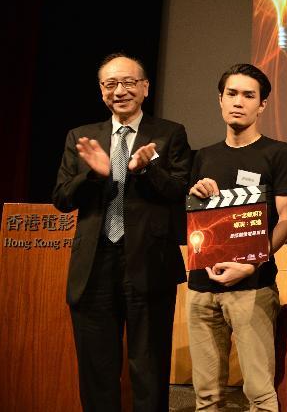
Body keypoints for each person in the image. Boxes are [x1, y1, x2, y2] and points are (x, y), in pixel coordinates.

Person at [53, 53, 191, 412]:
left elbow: (179, 192)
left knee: (149, 368)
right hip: (94, 266)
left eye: (128, 82)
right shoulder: (82, 137)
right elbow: (62, 199)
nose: (120, 91)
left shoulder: (169, 133)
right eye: (110, 84)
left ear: (145, 88)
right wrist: (95, 173)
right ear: (101, 91)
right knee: (97, 371)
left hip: (148, 264)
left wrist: (146, 169)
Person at [186, 63, 287, 411]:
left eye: (249, 95)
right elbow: (191, 222)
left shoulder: (277, 153)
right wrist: (197, 196)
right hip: (201, 287)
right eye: (231, 94)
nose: (239, 101)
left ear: (262, 104)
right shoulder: (203, 156)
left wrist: (250, 265)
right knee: (205, 396)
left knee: (260, 394)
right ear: (220, 100)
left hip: (253, 287)